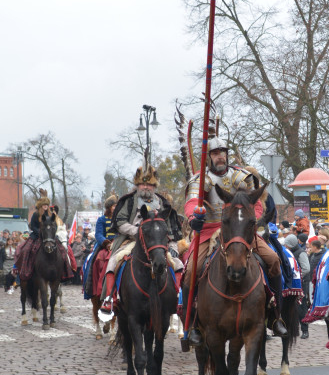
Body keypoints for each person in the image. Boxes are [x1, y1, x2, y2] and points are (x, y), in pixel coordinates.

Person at [182, 134, 287, 346]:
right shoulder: (200, 180)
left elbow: (256, 203)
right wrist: (194, 216)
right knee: (192, 270)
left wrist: (252, 220)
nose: (220, 156)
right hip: (210, 230)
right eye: (215, 153)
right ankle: (192, 323)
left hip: (240, 231)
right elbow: (192, 202)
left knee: (274, 259)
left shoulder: (241, 176)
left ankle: (275, 315)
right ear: (209, 157)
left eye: (222, 152)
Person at [100, 167, 182, 314]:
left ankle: (178, 299)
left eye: (149, 184)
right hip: (132, 241)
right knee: (113, 262)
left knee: (178, 264)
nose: (145, 187)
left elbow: (171, 230)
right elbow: (120, 222)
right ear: (137, 185)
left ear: (154, 186)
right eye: (142, 184)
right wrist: (137, 231)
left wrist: (173, 247)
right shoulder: (129, 201)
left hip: (158, 243)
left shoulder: (162, 203)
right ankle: (110, 300)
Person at [17, 189, 74, 282]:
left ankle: (65, 272)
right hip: (37, 236)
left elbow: (55, 225)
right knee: (26, 250)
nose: (46, 206)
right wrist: (40, 232)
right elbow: (32, 226)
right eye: (44, 205)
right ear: (41, 206)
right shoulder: (35, 214)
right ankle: (25, 270)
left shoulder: (51, 214)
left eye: (47, 205)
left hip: (50, 236)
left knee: (63, 250)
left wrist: (51, 233)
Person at [284, 234, 310, 339]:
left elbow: (306, 268)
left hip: (300, 284)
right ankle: (293, 329)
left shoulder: (301, 253)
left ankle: (305, 330)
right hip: (290, 284)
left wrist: (297, 277)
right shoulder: (288, 252)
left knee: (301, 308)